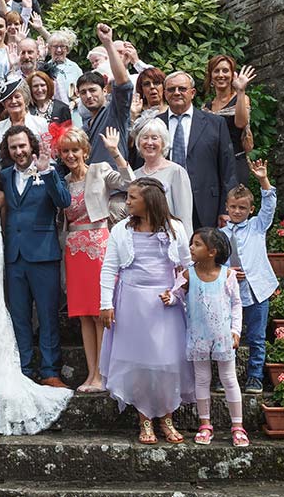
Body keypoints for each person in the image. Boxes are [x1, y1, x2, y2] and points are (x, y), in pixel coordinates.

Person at [0, 152, 73, 433]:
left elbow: (57, 203)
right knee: (2, 311)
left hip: (2, 251)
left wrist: (47, 172)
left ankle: (45, 370)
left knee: (5, 306)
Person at [99, 178, 194, 445]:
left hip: (165, 305)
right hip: (132, 303)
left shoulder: (175, 228)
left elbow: (187, 267)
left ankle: (166, 417)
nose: (127, 202)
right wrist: (106, 304)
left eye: (132, 197)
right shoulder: (121, 230)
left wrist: (176, 292)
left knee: (167, 362)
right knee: (138, 363)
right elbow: (109, 268)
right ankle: (145, 419)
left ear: (149, 200)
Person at [55, 126, 132, 394]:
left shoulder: (100, 170)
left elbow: (130, 184)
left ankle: (102, 375)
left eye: (75, 150)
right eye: (65, 151)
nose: (70, 155)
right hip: (73, 248)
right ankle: (91, 374)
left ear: (85, 151)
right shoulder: (63, 181)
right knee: (83, 317)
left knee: (99, 313)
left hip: (98, 246)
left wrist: (115, 152)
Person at [0, 126, 71, 387]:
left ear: (31, 146)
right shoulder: (4, 176)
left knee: (47, 314)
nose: (19, 151)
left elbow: (63, 201)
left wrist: (47, 172)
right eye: (13, 147)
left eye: (22, 146)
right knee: (19, 316)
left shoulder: (49, 170)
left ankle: (50, 370)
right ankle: (24, 369)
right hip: (14, 255)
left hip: (43, 253)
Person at [173, 227, 246, 447]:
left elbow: (236, 304)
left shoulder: (228, 275)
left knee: (229, 379)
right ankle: (205, 424)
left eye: (197, 244)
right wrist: (170, 297)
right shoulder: (187, 275)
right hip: (198, 337)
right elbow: (177, 295)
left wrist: (236, 330)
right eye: (192, 243)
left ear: (212, 252)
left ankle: (238, 426)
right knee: (202, 379)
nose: (191, 248)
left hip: (223, 337)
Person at [220, 158, 277, 395]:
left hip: (257, 291)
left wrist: (263, 180)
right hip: (229, 294)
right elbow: (212, 263)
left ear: (250, 210)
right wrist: (227, 272)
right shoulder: (220, 235)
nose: (237, 211)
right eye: (233, 207)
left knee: (256, 337)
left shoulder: (257, 226)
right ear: (227, 207)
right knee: (227, 336)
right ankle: (226, 377)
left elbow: (269, 206)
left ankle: (255, 377)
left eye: (242, 208)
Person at [158, 71, 237, 229]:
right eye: (171, 89)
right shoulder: (154, 124)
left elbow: (228, 169)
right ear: (165, 94)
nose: (176, 93)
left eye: (182, 88)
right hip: (164, 202)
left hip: (205, 205)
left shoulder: (215, 124)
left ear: (192, 93)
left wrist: (225, 209)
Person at [77, 24, 133, 166]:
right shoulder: (84, 128)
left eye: (93, 90)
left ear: (104, 91)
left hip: (116, 178)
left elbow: (123, 83)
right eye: (83, 92)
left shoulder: (115, 112)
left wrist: (108, 43)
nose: (88, 96)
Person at [132, 119, 195, 241]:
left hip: (168, 239)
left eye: (154, 138)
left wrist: (185, 245)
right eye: (145, 137)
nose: (149, 142)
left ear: (163, 142)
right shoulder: (135, 175)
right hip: (140, 240)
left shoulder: (176, 171)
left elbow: (184, 216)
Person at [203, 56, 257, 189]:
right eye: (216, 71)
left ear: (232, 75)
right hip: (213, 165)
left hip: (235, 162)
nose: (221, 75)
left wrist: (240, 91)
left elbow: (241, 123)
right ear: (211, 76)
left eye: (225, 71)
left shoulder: (241, 98)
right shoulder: (206, 107)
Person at [0, 78, 48, 164]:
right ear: (4, 104)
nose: (13, 101)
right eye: (9, 98)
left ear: (25, 99)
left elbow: (47, 153)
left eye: (17, 97)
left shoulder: (41, 123)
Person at [130, 67, 168, 140]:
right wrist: (134, 117)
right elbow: (128, 143)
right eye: (147, 84)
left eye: (156, 83)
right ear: (142, 89)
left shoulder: (172, 112)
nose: (152, 87)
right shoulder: (135, 112)